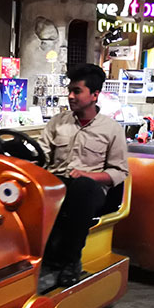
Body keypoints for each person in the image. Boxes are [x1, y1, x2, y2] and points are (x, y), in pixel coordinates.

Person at [37, 63, 129, 294]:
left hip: (91, 190)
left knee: (81, 189)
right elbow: (41, 154)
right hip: (57, 184)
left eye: (77, 91)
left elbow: (119, 171)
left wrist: (88, 175)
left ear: (95, 95)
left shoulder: (111, 129)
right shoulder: (57, 122)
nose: (70, 96)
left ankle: (68, 261)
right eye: (70, 90)